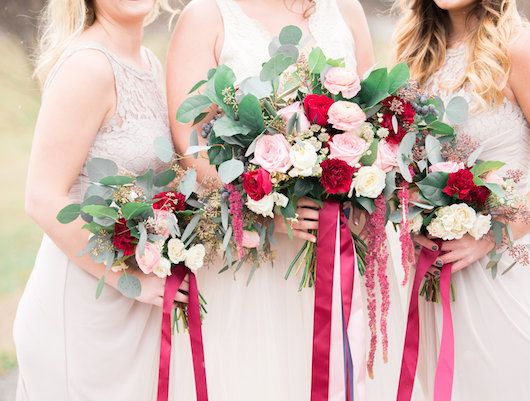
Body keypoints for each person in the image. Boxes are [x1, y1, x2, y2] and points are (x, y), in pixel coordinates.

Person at [167, 0, 403, 399]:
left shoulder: (346, 9)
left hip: (346, 246)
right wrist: (271, 207)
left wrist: (361, 182)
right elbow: (193, 150)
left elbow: (373, 123)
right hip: (258, 262)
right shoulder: (206, 16)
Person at [394, 0, 530, 400]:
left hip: (495, 272)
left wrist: (492, 234)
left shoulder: (518, 47)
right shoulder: (415, 51)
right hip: (428, 274)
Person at [12, 1, 194, 400]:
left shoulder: (148, 62)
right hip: (82, 314)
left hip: (132, 315)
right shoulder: (88, 67)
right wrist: (131, 282)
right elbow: (42, 198)